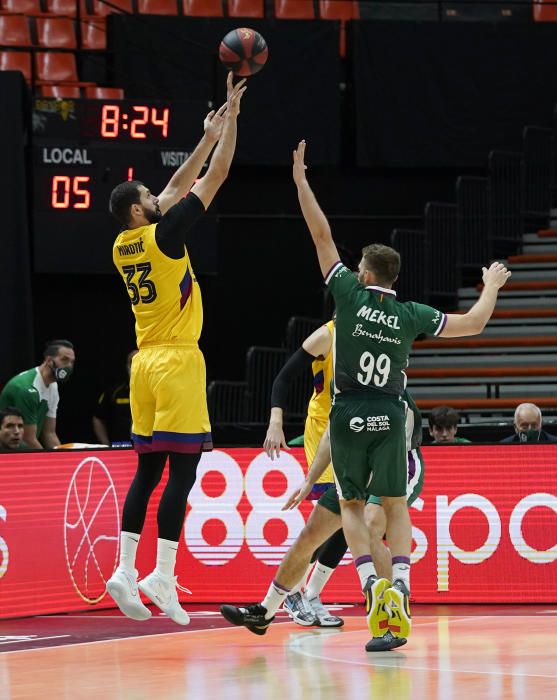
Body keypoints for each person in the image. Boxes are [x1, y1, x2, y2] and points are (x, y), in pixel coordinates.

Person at [220, 140, 511, 650]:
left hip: (351, 414)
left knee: (359, 514)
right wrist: (490, 284)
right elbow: (475, 323)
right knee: (359, 517)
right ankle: (302, 604)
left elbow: (320, 233)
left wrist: (301, 183)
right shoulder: (410, 314)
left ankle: (380, 595)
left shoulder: (348, 299)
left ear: (367, 274)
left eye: (358, 265)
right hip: (391, 416)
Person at [105, 74, 246, 626]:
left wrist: (205, 134)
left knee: (147, 472)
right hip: (178, 361)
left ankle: (124, 568)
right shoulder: (166, 236)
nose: (155, 197)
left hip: (143, 362)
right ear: (141, 211)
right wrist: (231, 124)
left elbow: (174, 185)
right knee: (182, 475)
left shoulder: (124, 242)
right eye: (147, 197)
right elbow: (217, 177)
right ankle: (162, 575)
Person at [263, 318, 345, 628]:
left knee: (351, 518)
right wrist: (275, 420)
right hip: (324, 429)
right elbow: (283, 378)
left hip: (353, 429)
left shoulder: (374, 331)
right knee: (330, 517)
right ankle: (293, 591)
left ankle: (311, 593)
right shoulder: (328, 334)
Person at [0, 339, 76, 449]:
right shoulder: (27, 389)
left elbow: (49, 434)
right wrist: (50, 463)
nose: (69, 366)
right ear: (49, 360)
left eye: (72, 362)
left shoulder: (53, 386)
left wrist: (62, 460)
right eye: (64, 360)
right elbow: (27, 438)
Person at [92, 350, 138, 446]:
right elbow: (98, 418)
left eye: (140, 362)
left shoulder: (159, 392)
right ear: (127, 366)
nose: (136, 366)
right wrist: (105, 443)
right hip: (120, 446)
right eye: (132, 362)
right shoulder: (114, 392)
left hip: (149, 448)